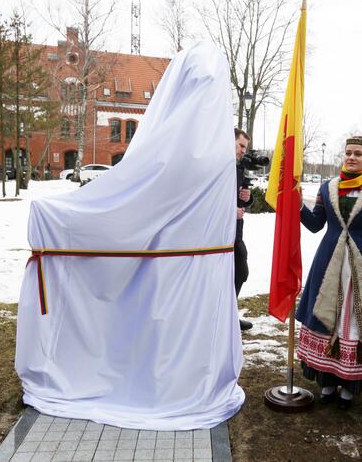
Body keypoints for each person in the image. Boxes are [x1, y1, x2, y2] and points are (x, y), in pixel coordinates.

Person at [15, 42, 245, 430]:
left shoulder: (200, 149)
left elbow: (135, 198)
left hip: (190, 266)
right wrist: (60, 216)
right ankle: (171, 385)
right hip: (180, 264)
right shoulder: (198, 149)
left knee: (168, 328)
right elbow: (136, 197)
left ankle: (170, 385)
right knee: (167, 330)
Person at [296, 136, 362, 410]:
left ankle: (351, 385)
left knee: (353, 320)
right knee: (328, 318)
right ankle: (326, 380)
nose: (351, 157)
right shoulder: (328, 188)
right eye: (348, 153)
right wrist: (298, 204)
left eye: (358, 154)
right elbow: (316, 224)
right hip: (328, 263)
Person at [235, 128, 254, 331]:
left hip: (235, 232)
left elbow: (241, 202)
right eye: (240, 146)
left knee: (241, 271)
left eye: (245, 147)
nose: (243, 151)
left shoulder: (239, 169)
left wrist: (248, 198)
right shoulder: (219, 168)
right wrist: (231, 212)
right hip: (217, 235)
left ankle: (229, 314)